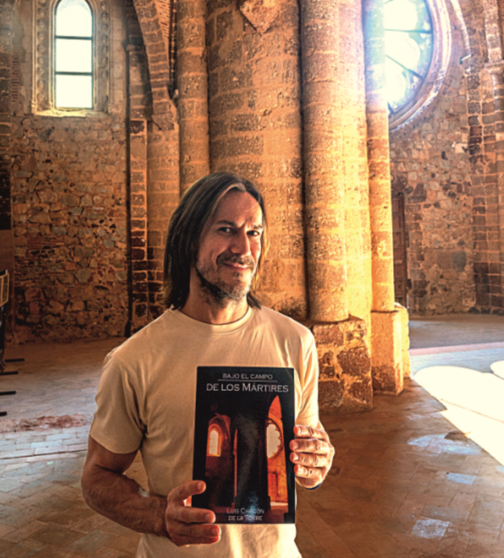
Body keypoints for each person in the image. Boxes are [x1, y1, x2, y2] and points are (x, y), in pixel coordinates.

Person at [82, 172, 335, 557]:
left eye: (254, 232)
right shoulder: (135, 360)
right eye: (226, 229)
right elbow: (97, 477)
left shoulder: (295, 341)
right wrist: (157, 514)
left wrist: (315, 463)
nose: (244, 248)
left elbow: (306, 446)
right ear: (188, 239)